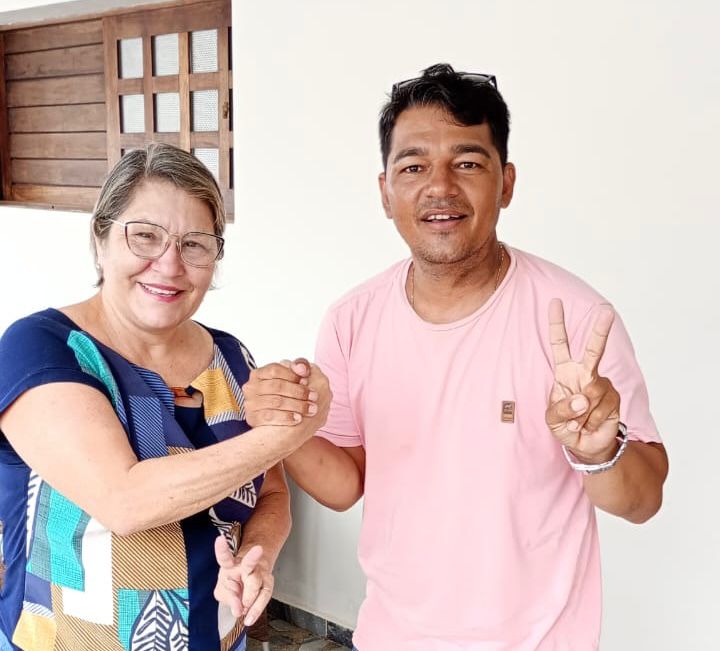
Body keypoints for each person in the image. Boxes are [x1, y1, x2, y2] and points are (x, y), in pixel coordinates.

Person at [215, 65, 668, 649]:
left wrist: (599, 452)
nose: (440, 187)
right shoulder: (353, 318)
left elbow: (644, 501)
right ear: (385, 192)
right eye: (414, 167)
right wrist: (287, 428)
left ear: (506, 183)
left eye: (468, 163)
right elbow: (346, 484)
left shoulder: (577, 320)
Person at [0, 143, 330, 651]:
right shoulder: (42, 348)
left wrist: (257, 556)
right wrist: (293, 430)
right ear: (101, 239)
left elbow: (271, 493)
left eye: (195, 244)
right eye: (145, 236)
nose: (170, 264)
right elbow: (125, 500)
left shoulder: (231, 356)